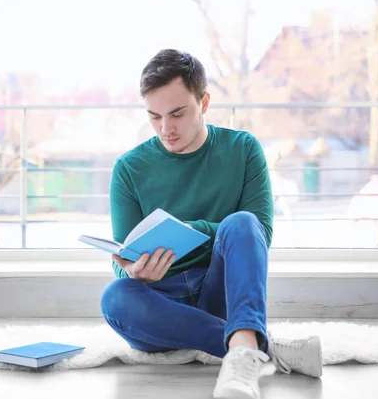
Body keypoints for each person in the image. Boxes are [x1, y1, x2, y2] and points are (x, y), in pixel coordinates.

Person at [100, 49, 322, 399]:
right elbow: (121, 263)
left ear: (203, 102)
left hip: (218, 290)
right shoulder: (129, 168)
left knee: (242, 222)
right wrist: (135, 272)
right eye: (154, 116)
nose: (165, 128)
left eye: (177, 113)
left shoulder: (243, 149)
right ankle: (252, 345)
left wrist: (197, 230)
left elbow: (257, 236)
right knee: (115, 297)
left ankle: (243, 347)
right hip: (161, 304)